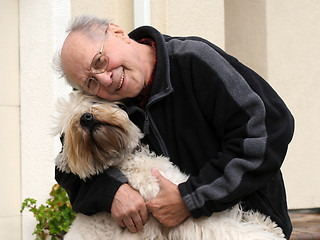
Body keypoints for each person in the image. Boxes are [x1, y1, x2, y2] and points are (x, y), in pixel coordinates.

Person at [55, 14, 294, 239]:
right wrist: (112, 192)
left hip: (246, 226)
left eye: (100, 61)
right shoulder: (99, 103)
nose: (105, 78)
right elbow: (68, 168)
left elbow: (268, 129)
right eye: (90, 82)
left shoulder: (195, 61)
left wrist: (191, 198)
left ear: (117, 32)